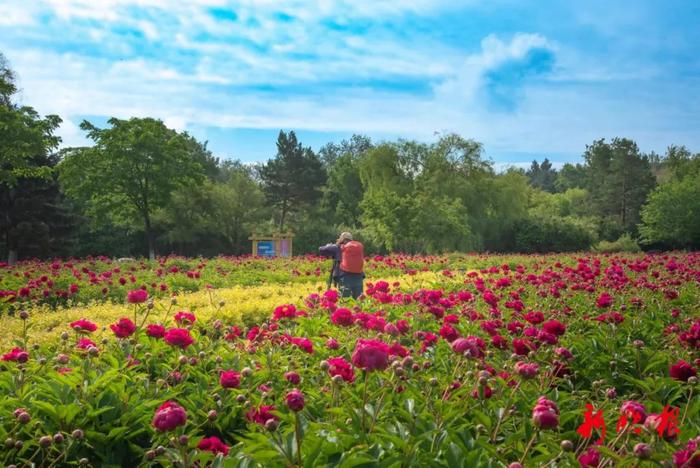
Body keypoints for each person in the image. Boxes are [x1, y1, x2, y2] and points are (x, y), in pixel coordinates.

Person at [318, 232, 365, 299]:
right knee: (358, 300)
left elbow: (321, 249)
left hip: (345, 277)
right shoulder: (358, 247)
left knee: (344, 300)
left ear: (343, 239)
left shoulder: (338, 247)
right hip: (358, 277)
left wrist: (328, 245)